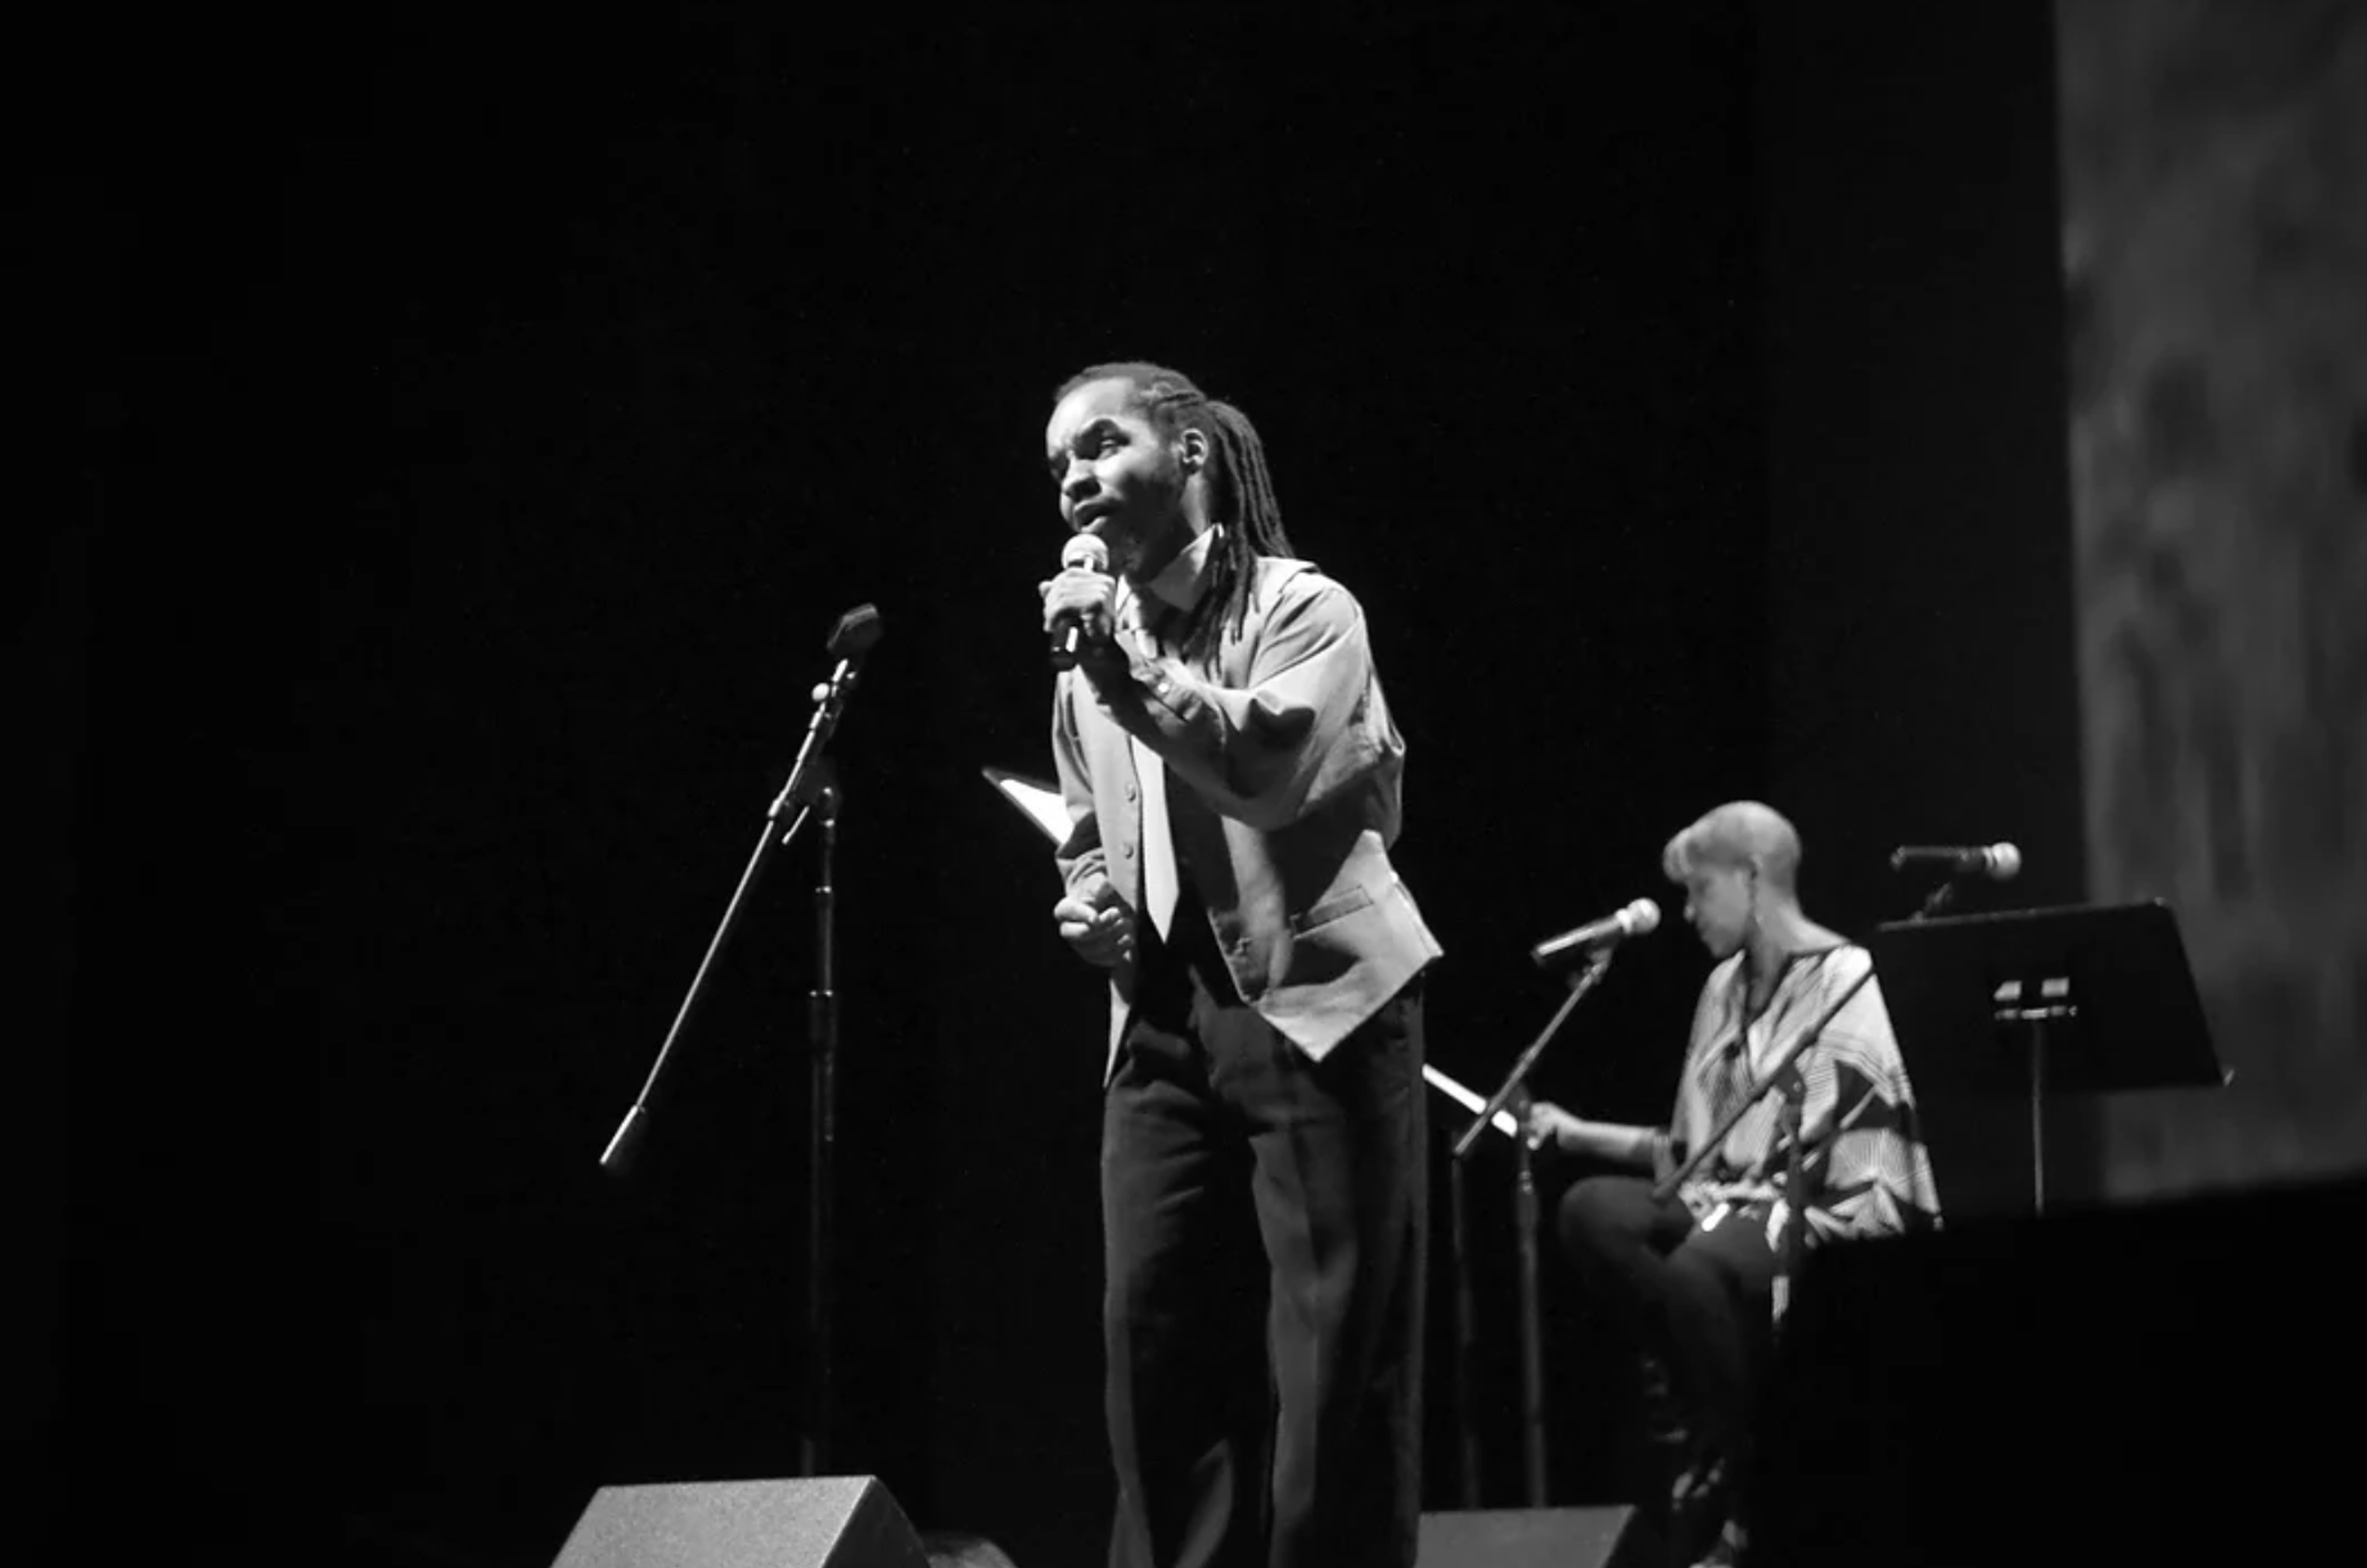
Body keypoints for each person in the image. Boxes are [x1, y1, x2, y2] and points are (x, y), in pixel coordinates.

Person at [1038, 361, 1441, 1568]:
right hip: (1162, 1023)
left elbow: (1262, 769)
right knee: (1153, 1349)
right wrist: (1091, 902)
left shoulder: (1306, 610)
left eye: (1100, 446)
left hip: (1317, 1004)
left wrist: (1122, 671)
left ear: (1192, 453)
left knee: (1332, 1365)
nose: (1074, 480)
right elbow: (1087, 827)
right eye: (1058, 466)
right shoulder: (1089, 656)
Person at [1525, 802, 1940, 1568]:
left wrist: (1747, 1191)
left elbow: (1850, 1140)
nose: (1688, 912)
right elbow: (1695, 1150)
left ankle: (1744, 1475)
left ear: (1752, 879)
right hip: (1729, 1200)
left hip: (1828, 1204)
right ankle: (1723, 1413)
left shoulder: (1844, 975)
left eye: (1700, 890)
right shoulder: (1722, 987)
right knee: (1593, 1212)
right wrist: (1577, 1133)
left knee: (1700, 1265)